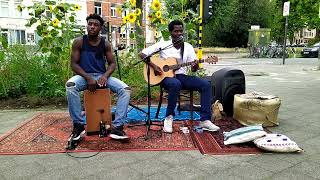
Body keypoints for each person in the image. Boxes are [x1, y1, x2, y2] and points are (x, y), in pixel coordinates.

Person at [139, 20, 220, 133]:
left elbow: (193, 69)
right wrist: (155, 66)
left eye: (181, 31)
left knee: (205, 85)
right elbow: (142, 54)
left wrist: (195, 65)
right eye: (176, 31)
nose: (179, 33)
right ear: (170, 32)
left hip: (182, 76)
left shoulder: (188, 47)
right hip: (165, 77)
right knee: (175, 84)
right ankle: (169, 118)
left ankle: (205, 120)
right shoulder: (164, 45)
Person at [66, 14, 131, 140]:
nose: (92, 27)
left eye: (95, 25)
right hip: (84, 77)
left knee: (125, 89)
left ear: (100, 28)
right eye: (90, 24)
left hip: (101, 76)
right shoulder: (79, 42)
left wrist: (105, 76)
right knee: (70, 86)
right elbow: (73, 64)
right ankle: (78, 126)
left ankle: (117, 128)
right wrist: (88, 77)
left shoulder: (105, 43)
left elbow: (112, 63)